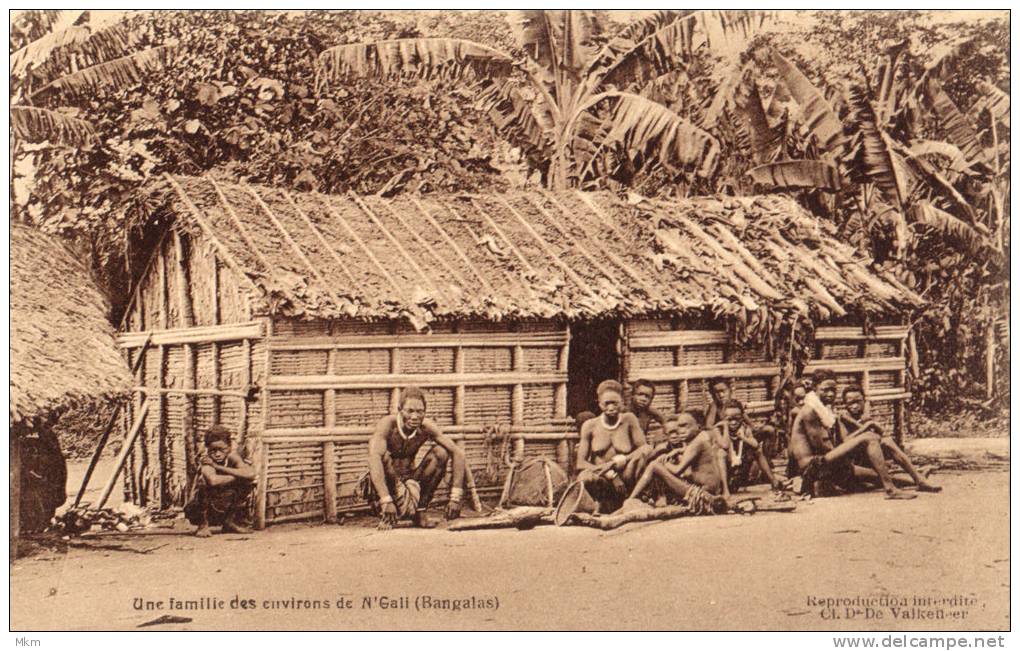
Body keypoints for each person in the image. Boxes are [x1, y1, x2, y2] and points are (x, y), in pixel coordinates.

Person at [789, 369, 915, 500]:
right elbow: (822, 448)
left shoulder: (824, 410)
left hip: (824, 462)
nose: (831, 394)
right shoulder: (810, 411)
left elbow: (834, 445)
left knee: (876, 474)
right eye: (825, 390)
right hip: (812, 467)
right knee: (869, 438)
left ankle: (918, 480)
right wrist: (855, 446)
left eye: (833, 389)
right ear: (815, 388)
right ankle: (891, 490)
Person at [363, 386, 467, 529]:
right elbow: (374, 459)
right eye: (410, 411)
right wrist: (385, 499)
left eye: (420, 412)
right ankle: (386, 511)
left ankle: (420, 511)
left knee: (441, 452)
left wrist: (456, 497)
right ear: (400, 410)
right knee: (383, 456)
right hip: (388, 483)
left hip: (411, 480)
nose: (415, 417)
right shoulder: (388, 425)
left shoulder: (426, 428)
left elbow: (458, 453)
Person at [837, 385, 941, 493]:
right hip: (853, 465)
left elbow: (881, 435)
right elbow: (846, 442)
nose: (855, 406)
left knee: (887, 442)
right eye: (850, 403)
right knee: (886, 478)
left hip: (868, 461)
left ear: (864, 401)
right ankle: (919, 479)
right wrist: (866, 426)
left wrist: (869, 425)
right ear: (845, 404)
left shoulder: (864, 417)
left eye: (858, 402)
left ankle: (918, 478)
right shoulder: (842, 419)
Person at [626, 410, 728, 513]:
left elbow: (677, 470)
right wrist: (677, 450)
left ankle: (631, 499)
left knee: (654, 466)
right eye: (679, 427)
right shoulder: (699, 441)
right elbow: (688, 452)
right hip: (707, 490)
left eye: (685, 426)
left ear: (699, 426)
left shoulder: (697, 444)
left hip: (702, 494)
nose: (681, 431)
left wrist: (663, 463)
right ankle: (647, 499)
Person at [576, 379, 652, 514]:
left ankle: (635, 497)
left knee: (644, 454)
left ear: (622, 403)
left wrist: (621, 460)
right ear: (599, 404)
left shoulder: (629, 420)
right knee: (585, 477)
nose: (611, 408)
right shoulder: (590, 425)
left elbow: (644, 447)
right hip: (602, 479)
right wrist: (610, 473)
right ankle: (598, 505)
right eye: (607, 403)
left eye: (615, 403)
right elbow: (580, 463)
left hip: (626, 477)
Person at [185, 425, 256, 537]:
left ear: (229, 447)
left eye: (221, 449)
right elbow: (213, 481)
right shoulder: (206, 461)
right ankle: (203, 525)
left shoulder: (232, 456)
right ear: (207, 449)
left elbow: (251, 474)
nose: (217, 454)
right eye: (213, 450)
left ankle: (229, 522)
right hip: (198, 509)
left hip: (221, 505)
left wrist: (219, 467)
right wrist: (238, 476)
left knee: (247, 483)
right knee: (204, 484)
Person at [716, 399, 784, 492]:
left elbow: (755, 444)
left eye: (737, 418)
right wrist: (726, 428)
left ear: (742, 418)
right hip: (722, 476)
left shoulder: (744, 428)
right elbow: (725, 445)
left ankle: (773, 481)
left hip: (738, 472)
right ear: (724, 418)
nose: (733, 422)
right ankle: (725, 490)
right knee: (721, 453)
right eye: (729, 419)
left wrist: (744, 438)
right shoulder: (718, 429)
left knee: (757, 451)